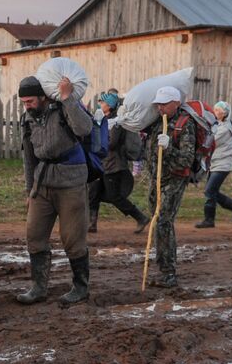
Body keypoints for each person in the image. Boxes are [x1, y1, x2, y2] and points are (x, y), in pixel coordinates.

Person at [14, 74, 93, 306]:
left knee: (72, 238)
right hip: (43, 183)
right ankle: (38, 288)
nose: (26, 106)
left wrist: (68, 99)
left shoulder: (64, 110)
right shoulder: (27, 119)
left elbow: (84, 128)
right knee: (34, 235)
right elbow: (28, 157)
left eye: (30, 101)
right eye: (24, 102)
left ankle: (81, 288)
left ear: (43, 97)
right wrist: (30, 190)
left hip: (71, 181)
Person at [144, 86, 198, 288]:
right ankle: (162, 266)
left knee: (164, 222)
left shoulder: (185, 124)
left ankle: (169, 272)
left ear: (176, 103)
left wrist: (169, 149)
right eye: (158, 104)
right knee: (157, 221)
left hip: (173, 180)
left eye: (164, 104)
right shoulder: (156, 122)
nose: (160, 107)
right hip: (155, 179)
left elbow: (186, 159)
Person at [88, 92, 150, 234]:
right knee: (93, 193)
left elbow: (111, 143)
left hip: (113, 165)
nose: (100, 104)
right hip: (101, 164)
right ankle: (92, 224)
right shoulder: (102, 119)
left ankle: (140, 217)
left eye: (102, 103)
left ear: (109, 105)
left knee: (114, 196)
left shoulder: (116, 123)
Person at [195, 101, 232, 228]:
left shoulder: (225, 129)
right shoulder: (217, 125)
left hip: (223, 164)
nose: (215, 112)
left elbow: (210, 142)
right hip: (215, 164)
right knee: (212, 191)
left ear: (225, 114)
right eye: (215, 109)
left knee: (209, 191)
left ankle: (209, 220)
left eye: (218, 110)